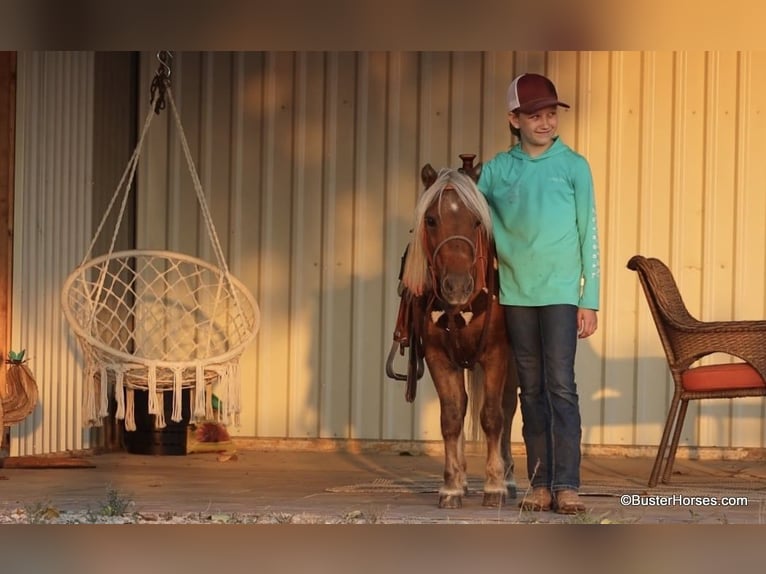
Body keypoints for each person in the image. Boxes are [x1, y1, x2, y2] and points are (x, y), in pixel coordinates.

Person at [477, 72, 600, 514]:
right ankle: (539, 483)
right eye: (535, 116)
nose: (546, 123)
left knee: (561, 386)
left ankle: (567, 485)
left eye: (551, 114)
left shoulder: (573, 166)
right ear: (514, 119)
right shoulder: (496, 170)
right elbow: (472, 218)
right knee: (529, 390)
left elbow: (590, 234)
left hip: (563, 293)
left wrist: (590, 298)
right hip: (515, 294)